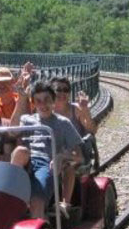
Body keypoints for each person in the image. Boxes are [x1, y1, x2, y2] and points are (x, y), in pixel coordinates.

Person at [10, 80, 84, 219]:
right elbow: (12, 131)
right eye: (38, 101)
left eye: (46, 100)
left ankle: (38, 223)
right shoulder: (26, 119)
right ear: (33, 103)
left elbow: (79, 156)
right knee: (20, 151)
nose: (43, 105)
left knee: (37, 202)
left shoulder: (63, 123)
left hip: (46, 163)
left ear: (53, 101)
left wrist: (61, 157)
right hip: (25, 161)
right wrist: (21, 100)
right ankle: (11, 191)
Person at [50, 77, 97, 204]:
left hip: (75, 152)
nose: (62, 93)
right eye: (58, 89)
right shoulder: (46, 110)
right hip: (52, 151)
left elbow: (92, 129)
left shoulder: (75, 109)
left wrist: (85, 110)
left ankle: (65, 204)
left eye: (66, 90)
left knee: (66, 165)